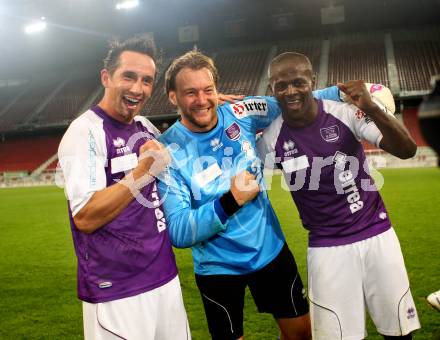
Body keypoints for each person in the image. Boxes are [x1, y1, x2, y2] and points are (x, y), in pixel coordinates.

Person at [156, 49, 341, 340]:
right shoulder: (166, 152)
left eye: (208, 90)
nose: (202, 100)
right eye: (191, 93)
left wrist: (349, 92)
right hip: (217, 268)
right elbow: (178, 230)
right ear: (173, 97)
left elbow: (291, 99)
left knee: (302, 335)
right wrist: (231, 200)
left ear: (217, 89)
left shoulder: (240, 112)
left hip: (270, 250)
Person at [257, 52, 421, 339]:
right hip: (326, 248)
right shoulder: (271, 138)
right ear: (272, 90)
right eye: (281, 86)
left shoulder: (344, 112)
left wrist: (372, 107)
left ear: (312, 81)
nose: (290, 91)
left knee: (399, 332)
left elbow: (407, 150)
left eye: (298, 82)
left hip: (377, 236)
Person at [57, 36, 190, 340]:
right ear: (106, 77)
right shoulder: (85, 131)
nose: (137, 88)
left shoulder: (144, 126)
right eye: (128, 76)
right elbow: (86, 216)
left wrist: (210, 103)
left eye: (147, 80)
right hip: (117, 290)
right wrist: (143, 172)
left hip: (164, 278)